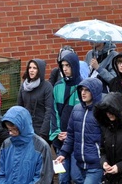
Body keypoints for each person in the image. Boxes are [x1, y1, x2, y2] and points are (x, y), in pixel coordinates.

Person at [55, 77, 104, 184]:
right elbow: (71, 135)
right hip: (80, 162)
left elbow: (107, 138)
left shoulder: (102, 111)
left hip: (96, 163)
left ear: (94, 92)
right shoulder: (76, 109)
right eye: (82, 90)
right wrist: (63, 153)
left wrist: (105, 160)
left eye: (87, 90)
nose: (83, 93)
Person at [0, 106, 54, 184]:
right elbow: (0, 173)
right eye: (9, 129)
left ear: (23, 126)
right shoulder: (6, 144)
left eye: (14, 129)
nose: (11, 133)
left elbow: (43, 178)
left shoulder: (41, 147)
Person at [50, 51, 82, 184]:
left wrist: (71, 134)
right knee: (62, 178)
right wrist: (57, 133)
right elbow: (54, 112)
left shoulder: (82, 86)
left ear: (74, 66)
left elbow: (82, 116)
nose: (65, 69)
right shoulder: (58, 86)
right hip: (60, 141)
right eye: (63, 65)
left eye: (68, 65)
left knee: (77, 177)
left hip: (76, 141)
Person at [17, 58, 53, 142]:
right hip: (26, 129)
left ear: (40, 70)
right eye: (30, 68)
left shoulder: (47, 87)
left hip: (41, 130)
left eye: (34, 68)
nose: (31, 70)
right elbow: (19, 107)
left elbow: (49, 111)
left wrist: (43, 133)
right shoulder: (24, 86)